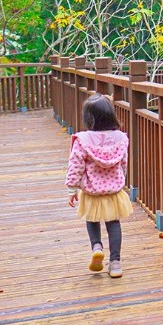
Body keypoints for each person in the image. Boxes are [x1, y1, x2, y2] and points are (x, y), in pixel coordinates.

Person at [65, 94, 132, 277]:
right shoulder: (120, 138)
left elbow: (76, 165)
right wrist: (121, 179)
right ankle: (116, 263)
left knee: (92, 220)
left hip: (92, 191)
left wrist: (72, 189)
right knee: (114, 224)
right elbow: (123, 163)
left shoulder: (83, 140)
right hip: (113, 191)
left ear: (89, 118)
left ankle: (96, 247)